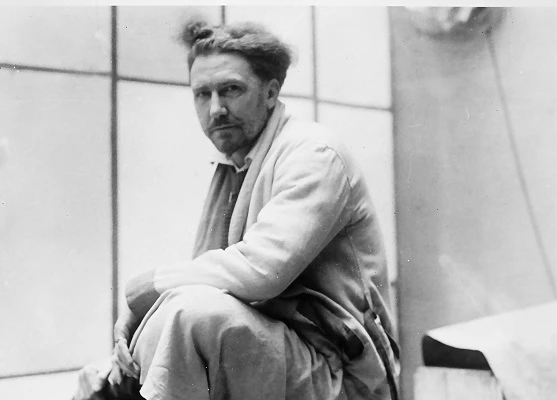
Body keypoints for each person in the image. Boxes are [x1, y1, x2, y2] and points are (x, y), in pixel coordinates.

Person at [74, 19, 399, 400]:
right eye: (202, 94)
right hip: (282, 351)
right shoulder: (236, 164)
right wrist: (136, 322)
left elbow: (260, 272)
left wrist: (144, 289)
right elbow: (207, 280)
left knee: (190, 315)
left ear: (270, 92)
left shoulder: (314, 153)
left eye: (231, 90)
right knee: (101, 376)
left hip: (344, 372)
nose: (215, 109)